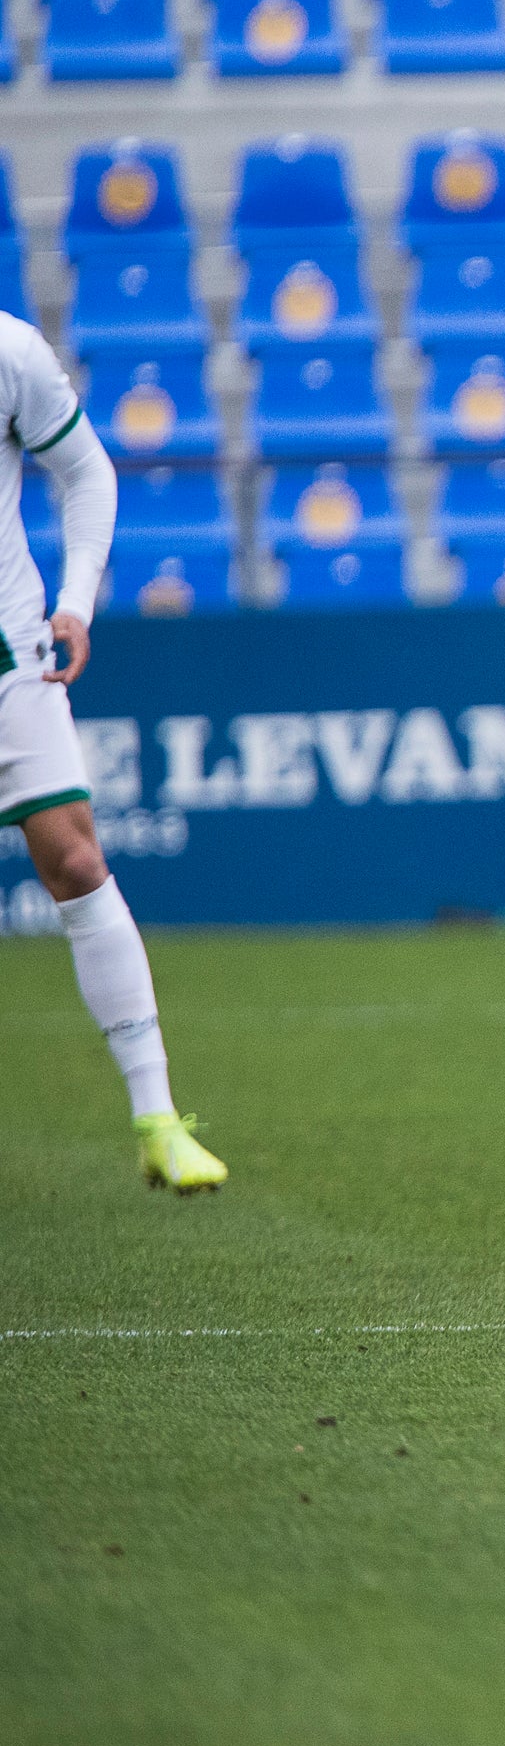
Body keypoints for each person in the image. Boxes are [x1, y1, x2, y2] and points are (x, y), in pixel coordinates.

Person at [0, 314, 219, 1192]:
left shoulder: (10, 351)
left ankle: (158, 1118)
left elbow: (85, 467)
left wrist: (75, 601)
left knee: (78, 859)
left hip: (10, 657)